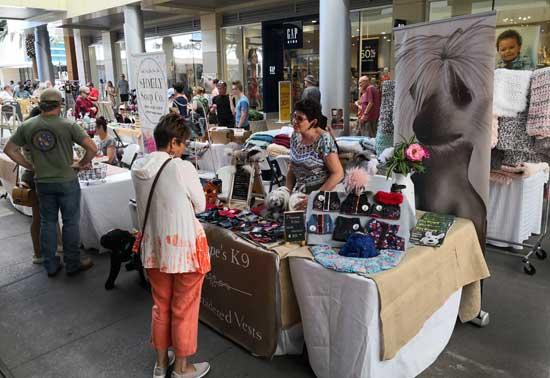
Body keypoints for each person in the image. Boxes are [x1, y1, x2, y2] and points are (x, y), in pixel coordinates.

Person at [131, 113, 211, 378]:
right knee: (184, 309)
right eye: (184, 143)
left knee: (161, 306)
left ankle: (161, 363)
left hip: (154, 250)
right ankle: (182, 367)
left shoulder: (139, 168)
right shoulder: (181, 167)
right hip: (185, 249)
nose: (185, 148)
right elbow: (200, 205)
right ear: (174, 143)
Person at [4, 88, 97, 277]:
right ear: (60, 104)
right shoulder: (69, 124)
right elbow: (92, 148)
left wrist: (30, 166)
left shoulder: (27, 126)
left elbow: (9, 149)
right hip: (67, 180)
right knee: (70, 223)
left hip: (43, 181)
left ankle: (51, 265)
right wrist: (81, 163)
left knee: (47, 222)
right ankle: (72, 263)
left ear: (40, 105)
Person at [286, 99, 344, 202]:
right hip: (298, 195)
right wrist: (286, 192)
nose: (295, 121)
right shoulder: (295, 136)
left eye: (300, 119)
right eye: (294, 116)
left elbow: (338, 174)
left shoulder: (324, 140)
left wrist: (314, 197)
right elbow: (292, 168)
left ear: (313, 122)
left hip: (320, 197)